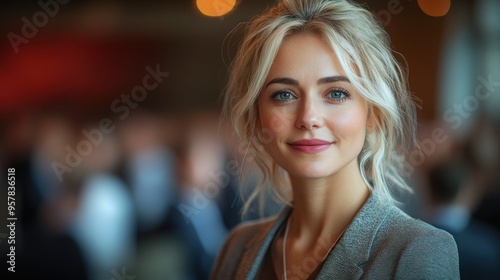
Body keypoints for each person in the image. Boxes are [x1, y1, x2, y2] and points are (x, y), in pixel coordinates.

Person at [210, 0, 460, 279]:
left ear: (374, 113)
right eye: (284, 94)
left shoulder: (416, 251)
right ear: (256, 116)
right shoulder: (237, 248)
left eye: (336, 93)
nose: (308, 117)